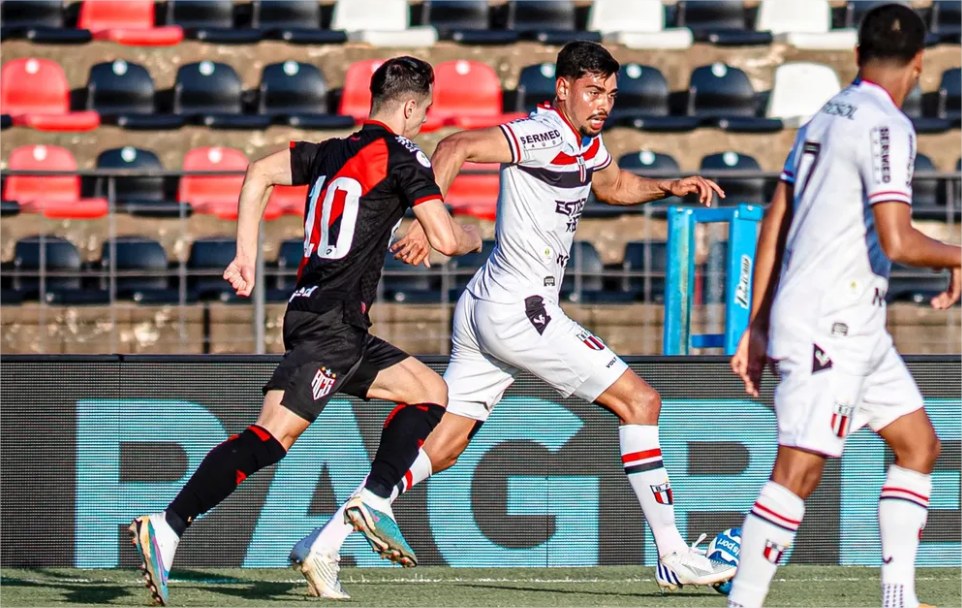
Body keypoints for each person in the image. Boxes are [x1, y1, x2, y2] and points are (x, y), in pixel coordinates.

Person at [291, 40, 738, 599]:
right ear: (564, 89)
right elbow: (454, 144)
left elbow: (613, 183)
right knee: (641, 402)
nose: (603, 103)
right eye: (593, 92)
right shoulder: (541, 134)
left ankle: (327, 539)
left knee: (446, 446)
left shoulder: (586, 140)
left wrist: (668, 186)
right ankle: (672, 554)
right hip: (521, 311)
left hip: (485, 307)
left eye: (611, 94)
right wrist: (426, 222)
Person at [129, 56, 483, 606]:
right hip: (332, 326)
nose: (424, 121)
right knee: (271, 436)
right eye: (426, 110)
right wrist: (471, 234)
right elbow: (440, 237)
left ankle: (370, 504)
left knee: (428, 392)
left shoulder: (330, 151)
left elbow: (257, 173)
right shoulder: (401, 156)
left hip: (323, 317)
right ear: (411, 106)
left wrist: (245, 255)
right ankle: (169, 525)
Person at [726, 5, 961, 608]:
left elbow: (775, 220)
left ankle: (898, 598)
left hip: (853, 322)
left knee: (918, 443)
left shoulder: (822, 117)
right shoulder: (888, 125)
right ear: (919, 64)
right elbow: (899, 240)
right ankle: (742, 602)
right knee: (797, 473)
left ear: (856, 56)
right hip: (829, 323)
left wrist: (756, 322)